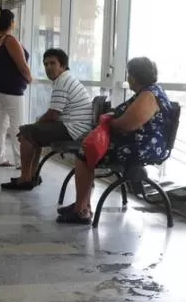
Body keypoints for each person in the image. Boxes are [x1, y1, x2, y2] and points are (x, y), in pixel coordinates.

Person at [58, 57, 173, 225]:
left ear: (133, 77)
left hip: (141, 147)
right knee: (86, 148)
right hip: (137, 143)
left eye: (129, 74)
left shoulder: (149, 95)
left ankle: (81, 210)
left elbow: (128, 124)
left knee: (84, 152)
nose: (128, 78)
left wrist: (109, 123)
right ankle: (82, 205)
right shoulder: (148, 92)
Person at [2, 48, 93, 191]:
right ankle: (32, 176)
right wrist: (34, 127)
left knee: (27, 132)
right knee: (32, 133)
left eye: (52, 63)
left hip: (73, 129)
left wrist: (32, 126)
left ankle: (25, 179)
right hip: (76, 127)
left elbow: (53, 114)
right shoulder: (65, 79)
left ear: (62, 66)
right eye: (45, 64)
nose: (48, 68)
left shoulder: (63, 82)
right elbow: (54, 115)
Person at [0, 9, 32, 167]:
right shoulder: (10, 40)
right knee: (17, 125)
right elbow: (22, 65)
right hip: (12, 88)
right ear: (11, 23)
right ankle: (21, 161)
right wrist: (29, 78)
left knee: (0, 123)